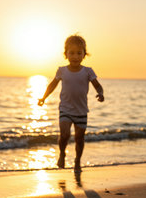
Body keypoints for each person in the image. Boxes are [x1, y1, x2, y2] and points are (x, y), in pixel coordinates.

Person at [38, 35, 104, 172]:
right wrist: (43, 97)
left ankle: (77, 161)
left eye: (79, 53)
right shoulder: (62, 70)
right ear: (66, 54)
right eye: (72, 53)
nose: (75, 56)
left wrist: (100, 93)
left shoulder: (88, 71)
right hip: (65, 109)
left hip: (81, 111)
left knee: (79, 138)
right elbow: (52, 85)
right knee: (65, 135)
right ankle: (62, 153)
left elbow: (97, 85)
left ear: (84, 55)